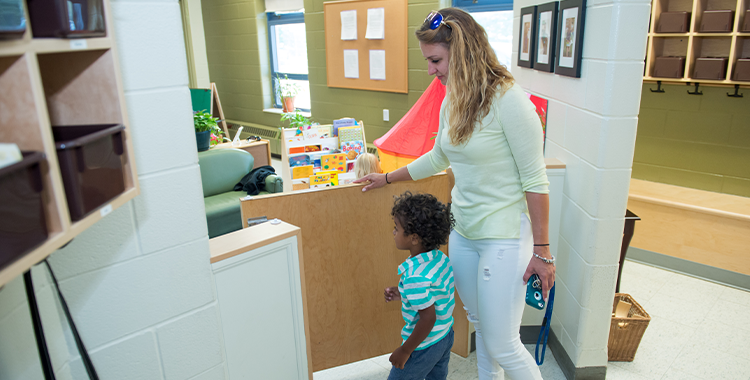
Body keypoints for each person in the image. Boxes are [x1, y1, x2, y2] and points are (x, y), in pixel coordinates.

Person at [355, 8, 555, 380]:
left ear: (462, 53)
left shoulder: (511, 102)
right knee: (479, 324)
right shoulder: (454, 98)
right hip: (463, 232)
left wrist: (542, 252)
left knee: (504, 345)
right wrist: (387, 178)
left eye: (436, 60)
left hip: (504, 237)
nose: (431, 70)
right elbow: (438, 157)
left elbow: (535, 181)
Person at [384, 191, 456, 380]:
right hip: (445, 335)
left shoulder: (415, 276)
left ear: (414, 238)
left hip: (423, 345)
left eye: (396, 228)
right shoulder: (439, 258)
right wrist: (403, 293)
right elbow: (435, 293)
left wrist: (405, 350)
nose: (393, 232)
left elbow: (428, 319)